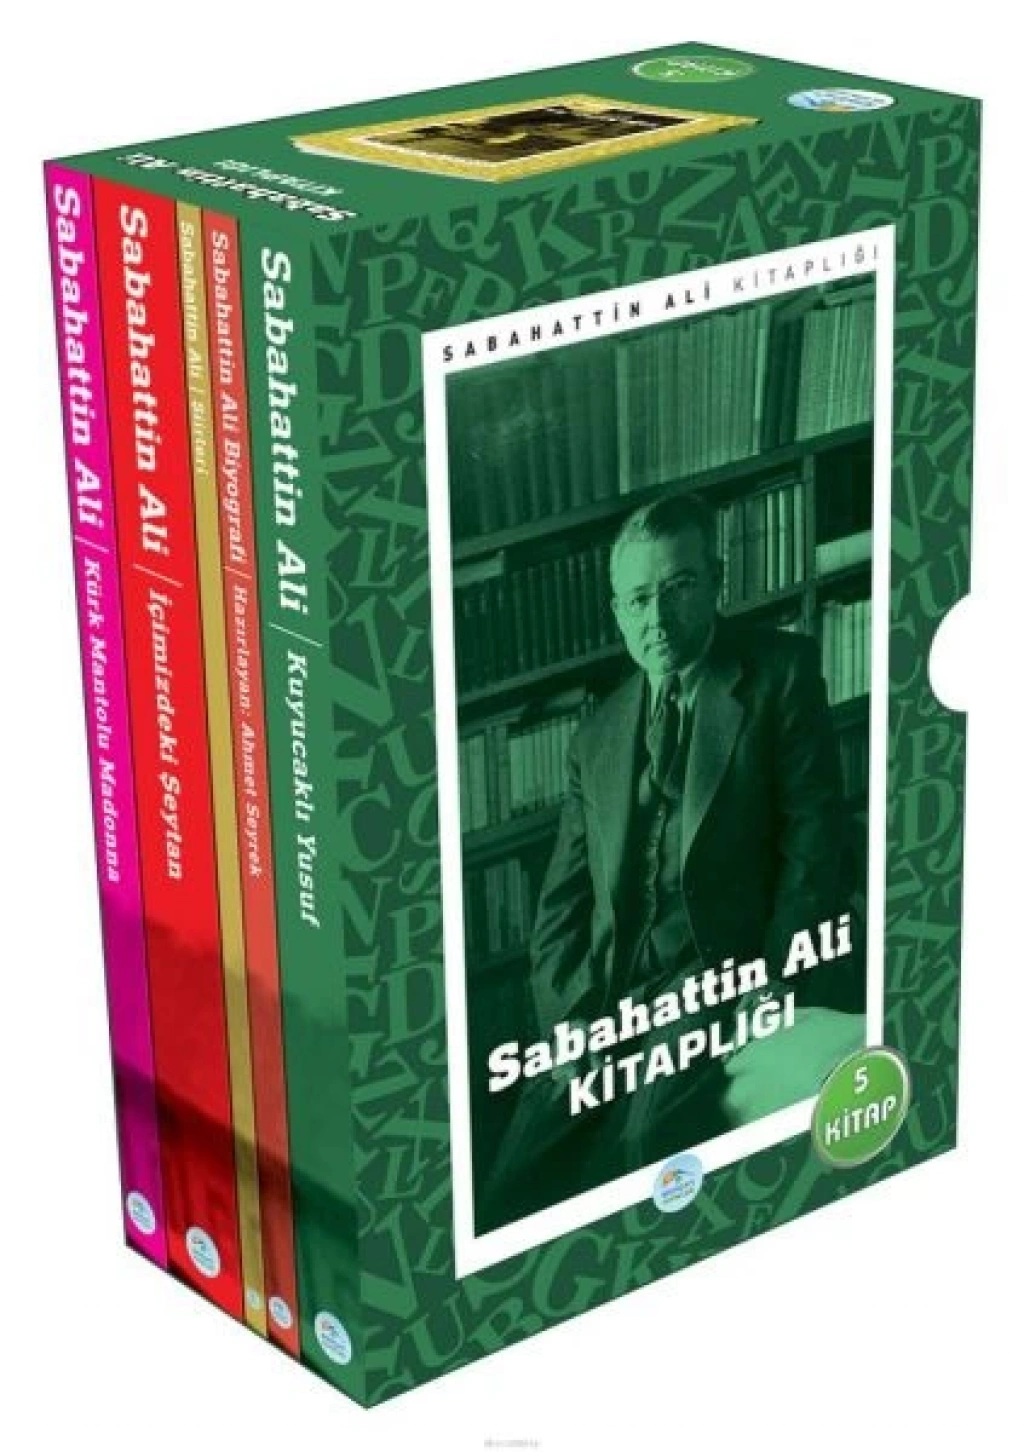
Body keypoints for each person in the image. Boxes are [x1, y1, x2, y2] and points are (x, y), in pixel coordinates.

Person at [475, 491, 865, 1232]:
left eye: (678, 586)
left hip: (719, 969)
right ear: (617, 613)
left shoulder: (781, 673)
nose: (657, 617)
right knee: (519, 1165)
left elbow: (815, 847)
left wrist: (774, 976)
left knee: (642, 1140)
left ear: (716, 579)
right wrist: (570, 1022)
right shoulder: (596, 734)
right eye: (637, 599)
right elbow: (561, 905)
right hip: (616, 988)